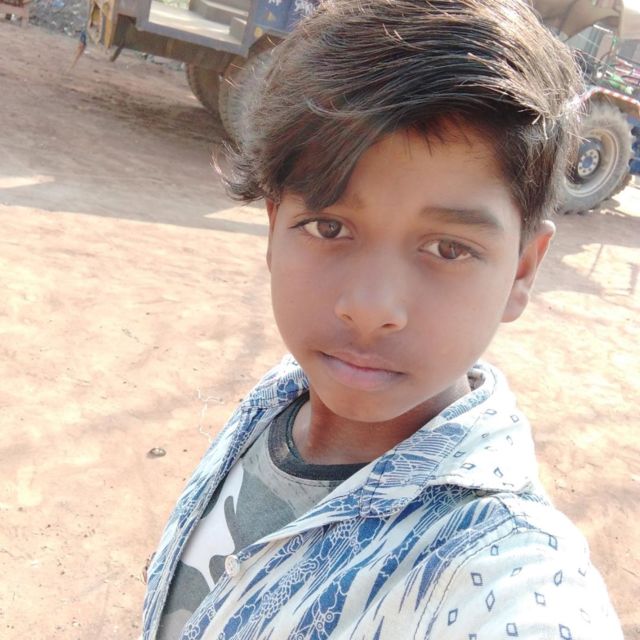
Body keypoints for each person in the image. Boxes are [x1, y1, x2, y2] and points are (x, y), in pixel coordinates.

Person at [142, 1, 623, 638]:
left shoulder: (502, 573)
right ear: (274, 229)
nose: (370, 308)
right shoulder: (282, 394)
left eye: (448, 248)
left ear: (521, 272)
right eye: (328, 227)